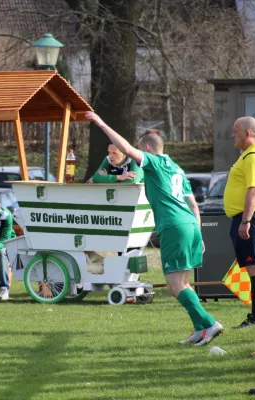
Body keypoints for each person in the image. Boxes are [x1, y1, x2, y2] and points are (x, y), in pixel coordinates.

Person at [85, 111, 223, 346]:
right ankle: (200, 329)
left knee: (176, 285)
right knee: (181, 284)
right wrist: (198, 234)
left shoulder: (155, 162)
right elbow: (193, 204)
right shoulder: (177, 168)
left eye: (141, 154)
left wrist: (100, 122)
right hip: (190, 224)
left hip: (174, 226)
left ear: (147, 150)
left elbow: (127, 149)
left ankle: (210, 324)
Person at [223, 116, 255, 328]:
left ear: (247, 133)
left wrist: (246, 220)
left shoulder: (253, 155)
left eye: (235, 131)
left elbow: (254, 189)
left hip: (251, 217)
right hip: (251, 217)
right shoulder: (253, 153)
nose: (232, 135)